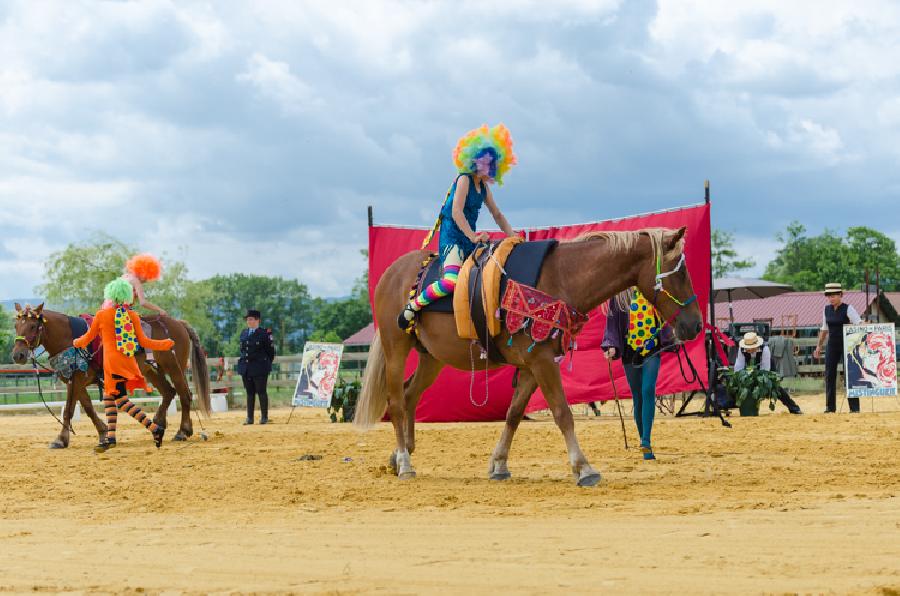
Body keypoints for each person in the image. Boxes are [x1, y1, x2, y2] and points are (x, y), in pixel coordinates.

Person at [398, 124, 518, 332]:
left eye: (493, 164)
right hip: (453, 237)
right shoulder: (464, 179)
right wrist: (472, 236)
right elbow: (456, 212)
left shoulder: (484, 187)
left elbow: (497, 214)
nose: (490, 167)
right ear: (477, 161)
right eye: (487, 162)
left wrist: (513, 236)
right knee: (452, 281)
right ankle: (414, 305)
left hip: (470, 238)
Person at [73, 278, 175, 451]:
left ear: (110, 295)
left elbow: (88, 338)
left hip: (111, 364)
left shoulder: (101, 315)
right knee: (108, 397)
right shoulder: (132, 315)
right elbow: (144, 341)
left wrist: (76, 342)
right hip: (127, 362)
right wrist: (164, 344)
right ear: (126, 295)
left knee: (121, 401)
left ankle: (154, 429)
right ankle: (110, 438)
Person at [601, 287, 674, 461]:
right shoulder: (619, 296)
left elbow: (667, 313)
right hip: (629, 350)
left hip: (651, 348)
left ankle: (646, 440)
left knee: (648, 389)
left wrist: (673, 331)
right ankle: (644, 441)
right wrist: (611, 345)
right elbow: (612, 323)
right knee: (637, 396)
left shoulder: (653, 291)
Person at [813, 283, 862, 413]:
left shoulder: (848, 308)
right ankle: (830, 407)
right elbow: (824, 329)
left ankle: (854, 408)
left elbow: (859, 325)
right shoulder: (826, 309)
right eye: (829, 296)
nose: (831, 298)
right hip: (832, 345)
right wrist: (819, 346)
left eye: (834, 295)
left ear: (841, 295)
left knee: (850, 375)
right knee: (829, 374)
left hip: (848, 345)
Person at [733, 331, 802, 414]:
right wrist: (743, 378)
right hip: (748, 371)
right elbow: (738, 367)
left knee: (776, 388)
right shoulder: (741, 350)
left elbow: (765, 369)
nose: (748, 349)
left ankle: (793, 407)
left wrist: (757, 379)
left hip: (766, 370)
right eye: (747, 347)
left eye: (751, 347)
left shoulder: (765, 349)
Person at [238, 309, 275, 425]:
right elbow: (242, 350)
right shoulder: (244, 333)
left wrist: (265, 364)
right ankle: (250, 418)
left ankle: (264, 417)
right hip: (246, 368)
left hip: (260, 367)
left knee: (261, 391)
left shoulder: (265, 334)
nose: (248, 321)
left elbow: (271, 352)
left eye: (251, 319)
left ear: (257, 320)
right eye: (247, 319)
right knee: (249, 393)